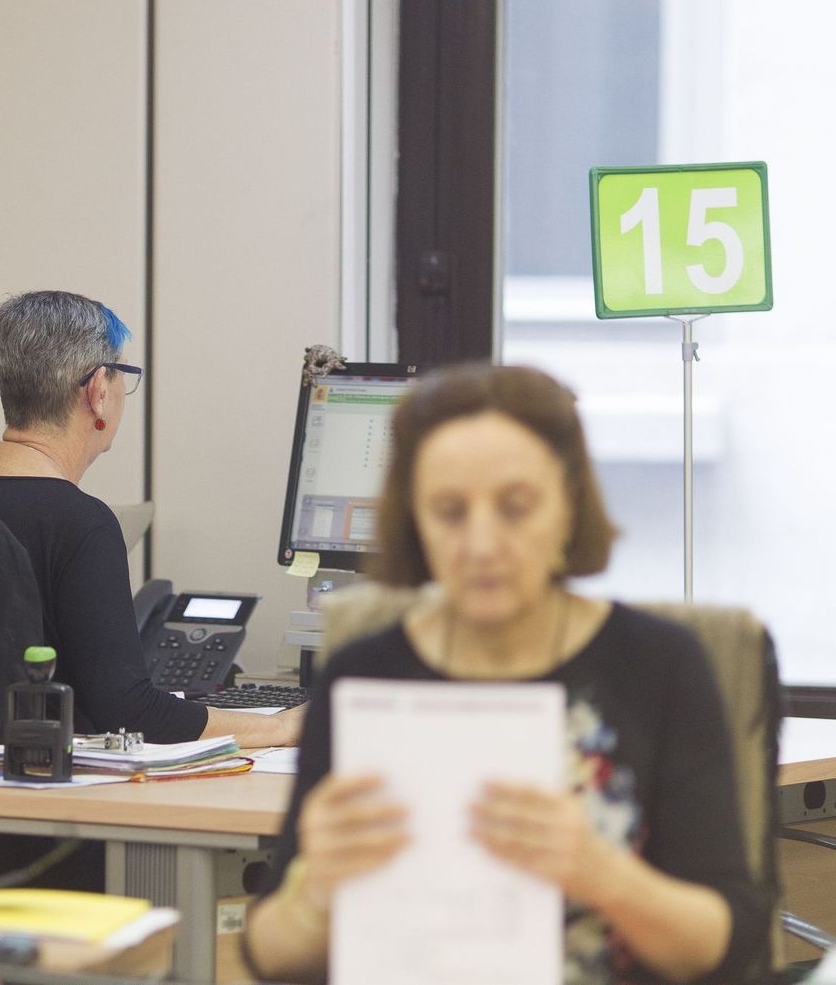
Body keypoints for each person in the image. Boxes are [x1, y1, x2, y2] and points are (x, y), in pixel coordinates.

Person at [242, 363, 768, 984]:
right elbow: (269, 954)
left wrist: (603, 875)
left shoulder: (660, 665)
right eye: (449, 511)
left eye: (516, 508)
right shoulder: (368, 673)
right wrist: (316, 895)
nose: (482, 543)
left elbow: (727, 942)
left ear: (569, 505)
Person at [0, 290, 299, 749]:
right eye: (122, 376)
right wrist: (281, 727)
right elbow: (130, 711)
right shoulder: (80, 522)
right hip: (36, 790)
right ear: (98, 391)